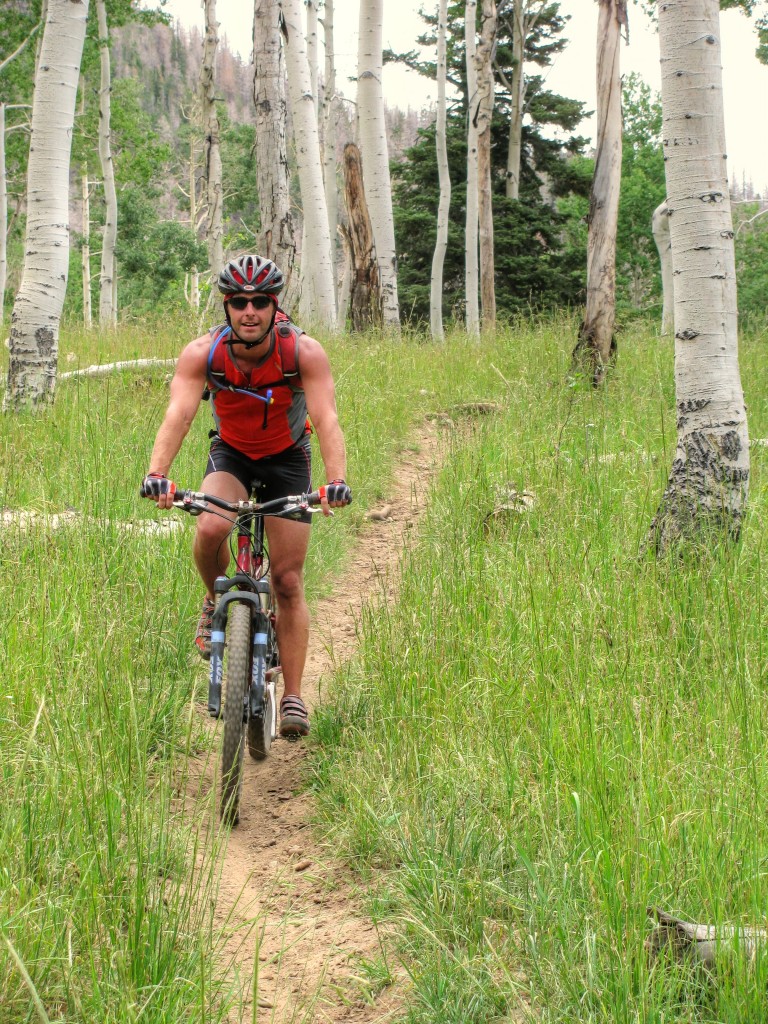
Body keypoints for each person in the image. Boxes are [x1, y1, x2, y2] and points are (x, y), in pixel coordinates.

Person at [141, 254, 351, 738]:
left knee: (287, 579)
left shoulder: (302, 352)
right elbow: (180, 415)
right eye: (238, 302)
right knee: (211, 526)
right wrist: (158, 474)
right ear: (226, 306)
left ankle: (294, 695)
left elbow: (326, 418)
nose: (249, 311)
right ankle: (214, 600)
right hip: (231, 454)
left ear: (275, 305)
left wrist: (335, 480)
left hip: (288, 460)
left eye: (260, 302)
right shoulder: (204, 353)